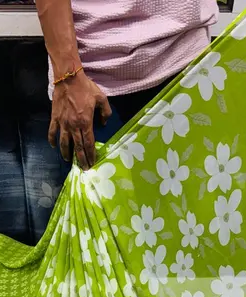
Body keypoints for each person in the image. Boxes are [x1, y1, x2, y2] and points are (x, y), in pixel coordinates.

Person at [34, 0, 219, 170]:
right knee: (96, 194)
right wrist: (69, 77)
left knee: (193, 192)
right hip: (93, 80)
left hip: (187, 59)